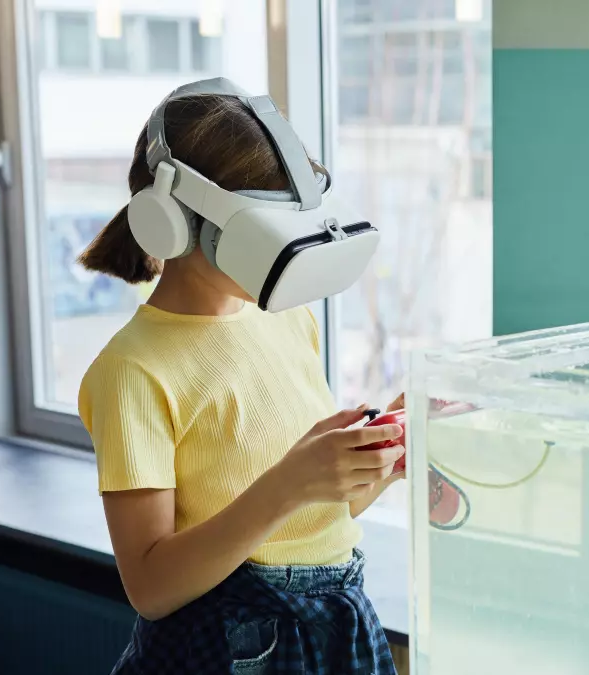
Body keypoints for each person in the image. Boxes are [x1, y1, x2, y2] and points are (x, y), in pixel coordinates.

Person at [76, 88, 403, 675]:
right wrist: (291, 482)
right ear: (172, 222)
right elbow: (151, 588)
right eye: (266, 223)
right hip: (230, 647)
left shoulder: (288, 321)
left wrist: (378, 459)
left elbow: (307, 522)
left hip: (339, 627)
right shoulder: (133, 370)